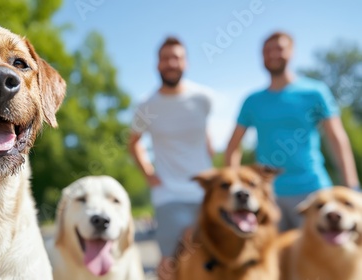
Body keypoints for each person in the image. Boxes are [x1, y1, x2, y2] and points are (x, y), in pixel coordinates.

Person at [225, 31, 360, 232]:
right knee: (274, 260)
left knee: (317, 259)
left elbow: (336, 137)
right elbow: (233, 147)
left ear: (292, 51)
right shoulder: (252, 101)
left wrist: (351, 186)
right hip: (269, 197)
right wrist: (234, 187)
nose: (273, 54)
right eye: (267, 50)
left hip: (312, 191)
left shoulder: (315, 92)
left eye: (279, 48)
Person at [128, 36, 214, 279]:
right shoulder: (146, 105)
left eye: (176, 58)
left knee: (210, 258)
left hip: (205, 193)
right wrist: (149, 174)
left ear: (185, 63)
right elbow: (133, 143)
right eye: (166, 58)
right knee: (171, 264)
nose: (171, 63)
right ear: (158, 64)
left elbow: (203, 132)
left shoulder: (203, 98)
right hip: (168, 194)